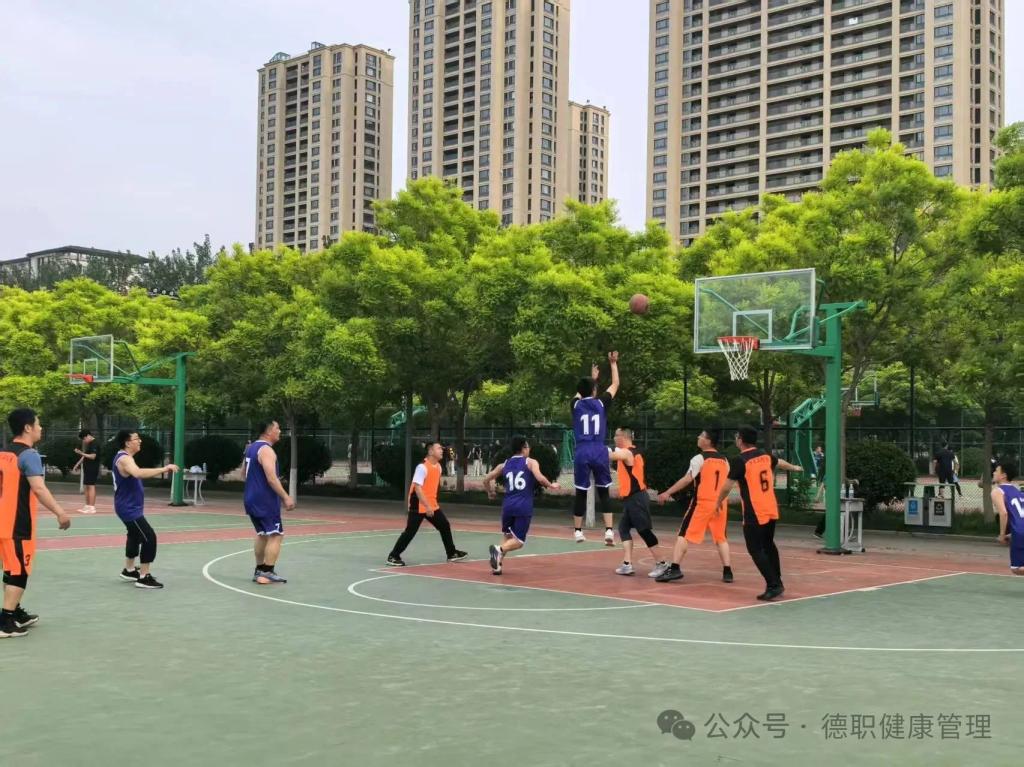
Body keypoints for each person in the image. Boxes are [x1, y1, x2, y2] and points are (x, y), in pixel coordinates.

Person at [0, 408, 72, 638]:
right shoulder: (29, 455)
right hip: (17, 524)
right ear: (27, 427)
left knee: (11, 568)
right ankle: (6, 621)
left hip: (3, 522)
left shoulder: (4, 453)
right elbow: (39, 489)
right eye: (38, 424)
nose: (41, 428)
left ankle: (14, 611)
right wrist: (60, 512)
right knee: (19, 571)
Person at [716, 425, 803, 602]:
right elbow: (780, 462)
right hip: (770, 507)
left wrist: (718, 502)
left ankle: (773, 584)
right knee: (768, 545)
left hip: (754, 511)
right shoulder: (764, 456)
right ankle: (777, 580)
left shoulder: (740, 461)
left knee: (755, 548)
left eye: (737, 436)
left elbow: (726, 487)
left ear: (740, 440)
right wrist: (794, 467)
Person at [655, 428, 733, 584]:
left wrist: (667, 492)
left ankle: (675, 569)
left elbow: (687, 479)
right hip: (720, 504)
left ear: (708, 441)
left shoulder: (699, 458)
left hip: (702, 503)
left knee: (683, 534)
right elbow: (727, 483)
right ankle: (728, 571)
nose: (698, 437)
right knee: (721, 538)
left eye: (702, 435)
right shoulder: (724, 460)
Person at [483, 436, 560, 575]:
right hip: (523, 506)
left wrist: (490, 492)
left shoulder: (504, 464)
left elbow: (486, 480)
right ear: (524, 448)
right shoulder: (530, 462)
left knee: (508, 537)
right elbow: (539, 477)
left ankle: (497, 565)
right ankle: (499, 550)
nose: (529, 449)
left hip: (507, 506)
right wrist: (551, 485)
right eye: (528, 446)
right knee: (518, 541)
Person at [111, 430, 178, 589]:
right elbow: (138, 473)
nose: (140, 441)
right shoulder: (125, 459)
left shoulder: (125, 457)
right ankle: (144, 577)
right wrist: (164, 469)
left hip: (128, 506)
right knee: (149, 537)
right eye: (137, 439)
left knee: (134, 535)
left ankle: (129, 570)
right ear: (128, 443)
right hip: (128, 508)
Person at [387, 442, 467, 566]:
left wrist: (431, 505)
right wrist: (427, 506)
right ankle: (393, 556)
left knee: (444, 525)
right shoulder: (422, 467)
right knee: (410, 531)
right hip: (418, 504)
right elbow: (418, 488)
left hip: (431, 504)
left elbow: (431, 488)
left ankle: (451, 553)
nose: (442, 450)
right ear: (430, 451)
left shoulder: (439, 467)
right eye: (439, 448)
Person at [571, 351, 620, 545]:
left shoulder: (575, 405)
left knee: (581, 492)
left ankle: (578, 532)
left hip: (582, 451)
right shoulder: (601, 403)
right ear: (594, 391)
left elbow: (580, 393)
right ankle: (609, 531)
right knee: (604, 492)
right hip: (599, 450)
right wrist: (613, 363)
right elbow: (615, 384)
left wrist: (592, 379)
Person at [608, 428, 667, 576]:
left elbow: (611, 455)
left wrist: (592, 448)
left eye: (616, 435)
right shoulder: (633, 452)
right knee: (623, 528)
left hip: (637, 498)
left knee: (644, 531)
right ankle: (627, 564)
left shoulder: (628, 452)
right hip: (631, 498)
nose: (614, 438)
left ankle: (662, 564)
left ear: (623, 437)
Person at [243, 421, 295, 584]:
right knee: (276, 535)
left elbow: (243, 474)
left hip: (250, 497)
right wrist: (286, 497)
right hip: (264, 499)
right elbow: (271, 478)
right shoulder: (266, 450)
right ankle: (267, 572)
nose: (279, 431)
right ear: (269, 431)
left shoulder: (251, 448)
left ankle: (259, 570)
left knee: (262, 534)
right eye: (277, 428)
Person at [993, 460, 1024, 575]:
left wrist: (1002, 535)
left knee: (1016, 568)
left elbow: (1003, 513)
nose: (993, 473)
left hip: (1019, 532)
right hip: (1019, 531)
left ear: (1003, 475)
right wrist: (1010, 534)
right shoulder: (1017, 491)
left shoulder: (998, 491)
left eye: (996, 471)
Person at [74, 429, 100, 514]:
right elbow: (85, 456)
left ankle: (92, 507)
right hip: (87, 467)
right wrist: (77, 464)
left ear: (88, 436)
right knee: (86, 486)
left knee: (91, 486)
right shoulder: (89, 444)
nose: (84, 441)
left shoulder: (95, 443)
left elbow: (93, 456)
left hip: (93, 467)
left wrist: (81, 453)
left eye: (84, 439)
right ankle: (87, 505)